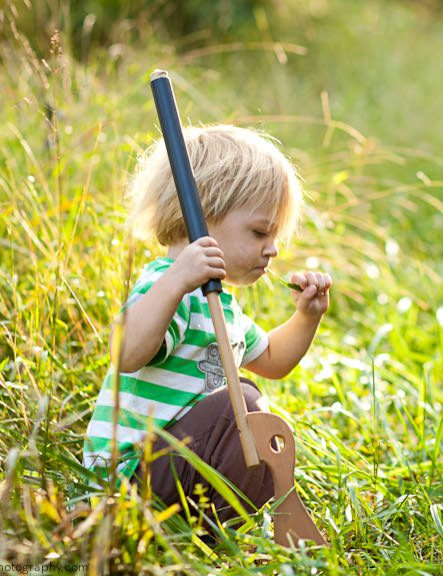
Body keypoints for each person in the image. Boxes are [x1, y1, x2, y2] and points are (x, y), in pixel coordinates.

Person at [82, 124, 331, 524]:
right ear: (201, 215)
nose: (273, 249)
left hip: (178, 469)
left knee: (254, 417)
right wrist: (177, 281)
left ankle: (211, 530)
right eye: (260, 232)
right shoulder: (168, 288)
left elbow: (272, 359)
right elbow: (125, 353)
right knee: (241, 407)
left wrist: (306, 316)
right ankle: (126, 523)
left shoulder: (221, 305)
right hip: (129, 479)